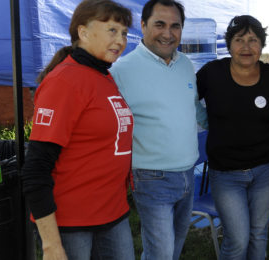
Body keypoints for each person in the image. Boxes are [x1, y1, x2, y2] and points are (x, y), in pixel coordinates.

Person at [20, 1, 135, 259]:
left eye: (124, 33)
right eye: (112, 30)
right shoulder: (65, 81)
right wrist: (51, 244)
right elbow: (36, 168)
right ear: (83, 33)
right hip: (72, 224)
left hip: (113, 213)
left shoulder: (104, 76)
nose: (121, 40)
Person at [110, 0, 207, 259]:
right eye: (159, 25)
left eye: (175, 26)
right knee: (161, 253)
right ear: (142, 26)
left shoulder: (185, 64)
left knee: (171, 250)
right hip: (151, 176)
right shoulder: (121, 70)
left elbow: (195, 108)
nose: (168, 33)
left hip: (188, 172)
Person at [196, 15, 269, 259]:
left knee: (258, 233)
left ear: (262, 45)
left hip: (265, 169)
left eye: (253, 40)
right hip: (226, 173)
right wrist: (201, 119)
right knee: (237, 240)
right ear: (229, 44)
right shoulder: (212, 72)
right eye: (239, 40)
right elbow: (186, 96)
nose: (246, 47)